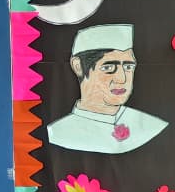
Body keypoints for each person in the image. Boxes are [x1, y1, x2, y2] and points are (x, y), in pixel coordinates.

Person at [47, 23, 167, 153]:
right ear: (78, 66)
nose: (122, 79)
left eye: (128, 67)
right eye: (108, 68)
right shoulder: (58, 133)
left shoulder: (151, 126)